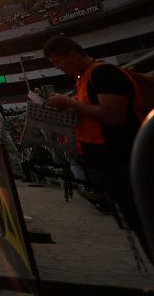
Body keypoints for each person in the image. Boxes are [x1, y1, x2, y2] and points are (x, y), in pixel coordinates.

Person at [42, 35, 144, 247]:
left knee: (143, 221)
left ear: (72, 54)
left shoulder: (103, 73)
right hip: (109, 164)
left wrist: (70, 103)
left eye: (59, 61)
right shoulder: (83, 79)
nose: (59, 67)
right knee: (136, 224)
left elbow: (114, 116)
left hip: (126, 161)